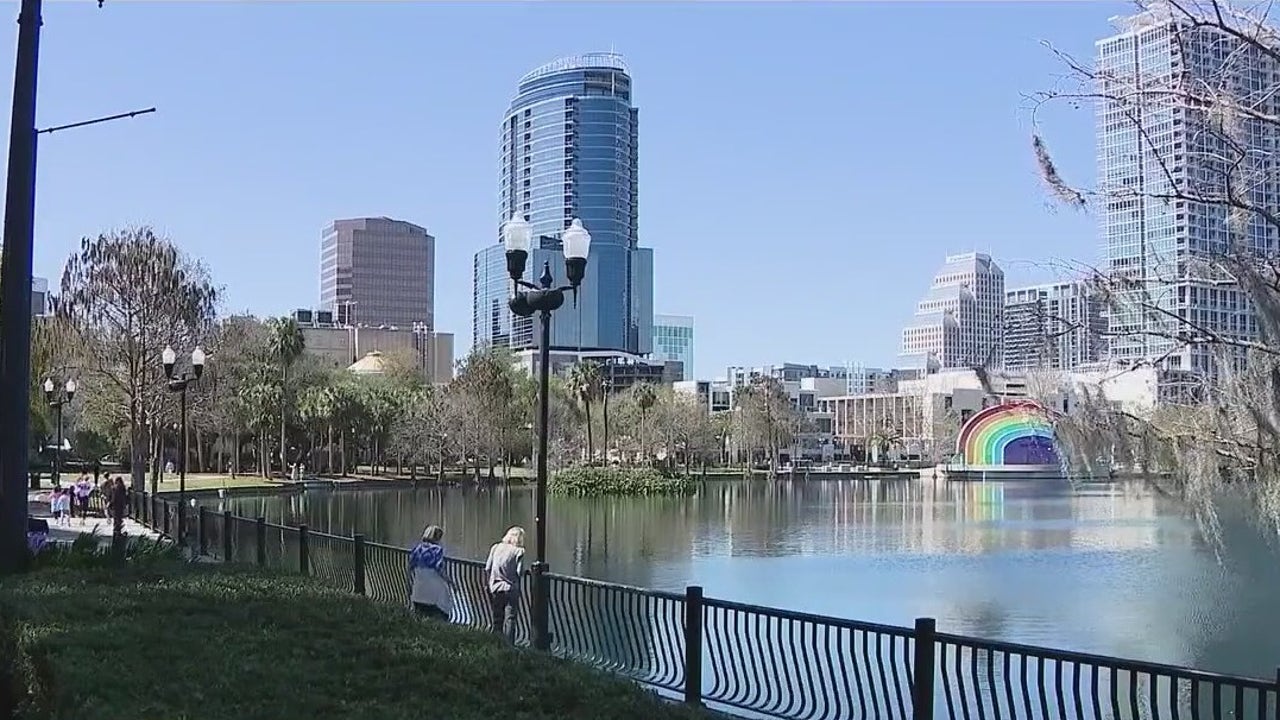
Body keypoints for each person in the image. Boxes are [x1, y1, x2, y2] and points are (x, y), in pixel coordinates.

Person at [484, 526, 526, 642]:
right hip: (510, 589)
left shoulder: (495, 547)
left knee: (497, 617)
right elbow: (519, 572)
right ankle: (508, 645)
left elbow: (487, 568)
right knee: (510, 618)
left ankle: (496, 642)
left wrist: (488, 583)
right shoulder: (519, 551)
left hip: (495, 588)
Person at [406, 525, 454, 620]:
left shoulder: (417, 549)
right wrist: (451, 582)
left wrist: (409, 586)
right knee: (441, 614)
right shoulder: (437, 550)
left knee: (419, 617)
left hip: (418, 591)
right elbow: (439, 570)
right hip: (433, 593)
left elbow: (409, 568)